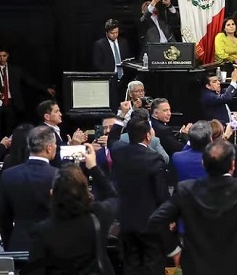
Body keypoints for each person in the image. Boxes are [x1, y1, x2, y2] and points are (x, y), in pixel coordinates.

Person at [149, 141, 237, 275]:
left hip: (196, 268)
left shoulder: (186, 189)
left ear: (203, 164)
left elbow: (157, 219)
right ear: (233, 165)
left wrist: (174, 250)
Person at [28, 144, 118, 275]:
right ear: (86, 193)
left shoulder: (41, 232)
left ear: (53, 193)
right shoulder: (98, 217)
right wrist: (93, 167)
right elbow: (112, 197)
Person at [111, 117, 170, 274]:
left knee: (131, 266)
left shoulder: (118, 152)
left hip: (126, 222)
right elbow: (161, 194)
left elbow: (112, 139)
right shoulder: (154, 158)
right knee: (153, 267)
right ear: (148, 135)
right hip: (150, 224)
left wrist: (121, 116)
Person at [0, 126, 59, 251]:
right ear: (49, 148)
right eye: (55, 144)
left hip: (19, 242)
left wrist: (9, 243)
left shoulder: (8, 175)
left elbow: (4, 216)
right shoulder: (59, 175)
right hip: (52, 244)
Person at [0, 48, 55, 136]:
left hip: (11, 104)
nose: (2, 58)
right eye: (0, 56)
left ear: (7, 56)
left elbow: (30, 82)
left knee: (10, 131)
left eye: (4, 56)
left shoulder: (15, 70)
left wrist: (45, 89)